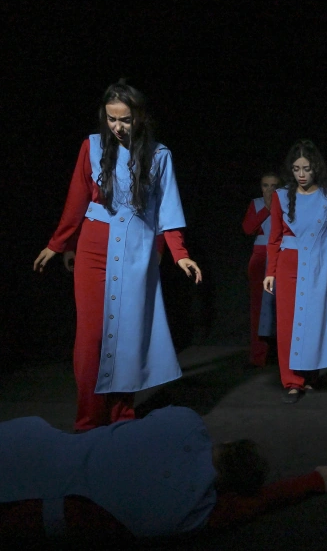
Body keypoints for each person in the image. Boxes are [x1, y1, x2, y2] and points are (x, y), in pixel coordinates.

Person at [33, 81, 202, 432]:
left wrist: (179, 253)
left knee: (128, 334)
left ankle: (121, 417)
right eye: (111, 119)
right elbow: (77, 199)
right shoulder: (92, 146)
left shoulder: (159, 155)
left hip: (136, 250)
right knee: (91, 337)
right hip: (95, 248)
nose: (118, 127)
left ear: (139, 117)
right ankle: (89, 420)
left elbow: (167, 209)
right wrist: (59, 243)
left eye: (125, 119)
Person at [0, 406, 327, 542]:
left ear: (227, 443)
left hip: (29, 443)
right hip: (36, 511)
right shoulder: (195, 510)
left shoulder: (185, 422)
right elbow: (259, 502)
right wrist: (312, 481)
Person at [264, 141, 327, 403]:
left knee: (314, 321)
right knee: (288, 324)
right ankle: (292, 381)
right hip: (289, 265)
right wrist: (270, 271)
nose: (301, 174)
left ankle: (310, 376)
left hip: (317, 265)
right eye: (296, 169)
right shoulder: (282, 196)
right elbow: (274, 237)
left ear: (316, 168)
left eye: (306, 168)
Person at [242, 172, 281, 367]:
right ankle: (259, 356)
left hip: (282, 255)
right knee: (258, 306)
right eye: (266, 185)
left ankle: (285, 357)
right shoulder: (256, 204)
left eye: (274, 186)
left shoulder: (287, 203)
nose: (270, 190)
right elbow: (248, 228)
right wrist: (267, 208)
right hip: (260, 256)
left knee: (284, 307)